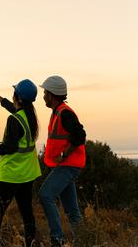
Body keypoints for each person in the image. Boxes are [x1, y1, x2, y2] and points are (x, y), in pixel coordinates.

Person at [0, 79, 42, 247]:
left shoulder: (13, 119)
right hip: (28, 174)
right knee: (27, 213)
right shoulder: (29, 116)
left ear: (18, 98)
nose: (12, 96)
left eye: (14, 93)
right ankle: (31, 243)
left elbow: (11, 147)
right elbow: (9, 106)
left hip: (12, 175)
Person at [38, 75, 86, 247]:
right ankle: (83, 240)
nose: (43, 96)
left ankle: (57, 239)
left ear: (52, 94)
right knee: (72, 210)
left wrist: (65, 154)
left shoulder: (64, 113)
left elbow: (80, 135)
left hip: (67, 166)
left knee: (45, 195)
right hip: (65, 166)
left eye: (45, 92)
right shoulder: (58, 112)